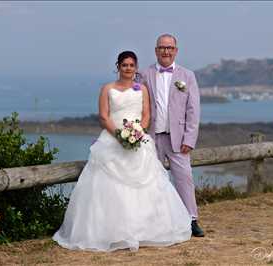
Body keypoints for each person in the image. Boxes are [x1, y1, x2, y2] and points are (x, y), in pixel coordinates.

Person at [53, 51, 192, 252]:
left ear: (136, 68)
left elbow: (146, 115)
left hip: (138, 140)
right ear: (118, 66)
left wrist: (138, 133)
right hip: (112, 139)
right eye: (124, 65)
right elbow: (103, 116)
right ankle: (109, 232)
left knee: (146, 185)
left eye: (131, 65)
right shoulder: (107, 88)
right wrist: (119, 135)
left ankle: (145, 230)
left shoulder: (142, 88)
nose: (128, 68)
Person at [140, 34, 204, 237]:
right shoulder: (144, 74)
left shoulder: (188, 76)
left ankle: (192, 220)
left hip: (178, 139)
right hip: (151, 137)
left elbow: (193, 110)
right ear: (156, 50)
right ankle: (154, 221)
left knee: (184, 179)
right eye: (162, 47)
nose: (166, 51)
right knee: (151, 179)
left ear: (176, 50)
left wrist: (189, 139)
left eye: (170, 47)